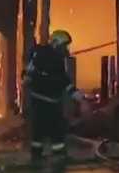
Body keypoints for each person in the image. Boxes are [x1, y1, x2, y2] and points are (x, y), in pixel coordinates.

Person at [22, 29, 86, 161]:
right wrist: (79, 98)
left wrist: (80, 98)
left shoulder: (53, 58)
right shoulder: (46, 55)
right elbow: (61, 80)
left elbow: (63, 81)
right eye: (64, 45)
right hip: (44, 101)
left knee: (41, 130)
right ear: (57, 44)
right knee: (55, 128)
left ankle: (37, 155)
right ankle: (57, 156)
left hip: (47, 100)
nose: (66, 48)